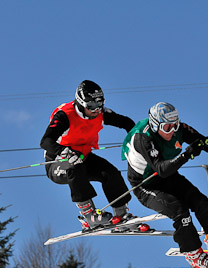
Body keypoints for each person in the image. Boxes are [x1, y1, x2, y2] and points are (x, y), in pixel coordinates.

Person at [121, 102, 208, 268]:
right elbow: (161, 169)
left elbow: (204, 142)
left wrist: (206, 143)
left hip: (168, 176)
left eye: (174, 126)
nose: (172, 131)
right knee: (179, 211)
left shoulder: (177, 128)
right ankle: (193, 253)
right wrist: (187, 154)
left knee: (200, 201)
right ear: (155, 125)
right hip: (146, 184)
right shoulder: (144, 138)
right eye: (167, 127)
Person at [41, 80, 137, 231]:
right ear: (80, 103)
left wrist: (136, 139)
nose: (96, 111)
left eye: (99, 106)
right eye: (91, 107)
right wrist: (63, 152)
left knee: (110, 173)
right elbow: (45, 141)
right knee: (75, 167)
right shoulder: (65, 115)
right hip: (57, 163)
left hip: (83, 157)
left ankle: (121, 214)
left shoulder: (100, 113)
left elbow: (126, 122)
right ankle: (89, 215)